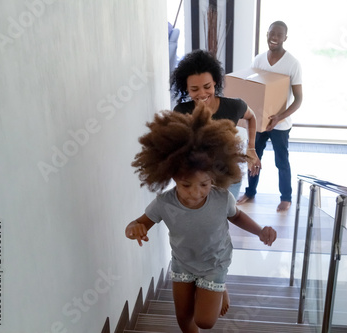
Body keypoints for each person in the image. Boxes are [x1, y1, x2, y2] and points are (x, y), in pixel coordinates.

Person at [125, 104, 277, 333]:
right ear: (173, 176)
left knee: (205, 321)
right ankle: (212, 293)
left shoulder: (221, 198)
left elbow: (236, 217)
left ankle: (220, 286)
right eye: (186, 185)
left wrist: (259, 231)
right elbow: (137, 224)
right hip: (183, 263)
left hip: (214, 263)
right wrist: (133, 229)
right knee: (184, 318)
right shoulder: (164, 203)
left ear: (214, 177)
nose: (195, 193)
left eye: (204, 184)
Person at [170, 49, 261, 199]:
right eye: (194, 89)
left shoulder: (234, 106)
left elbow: (251, 117)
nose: (202, 94)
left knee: (224, 217)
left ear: (215, 82)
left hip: (229, 178)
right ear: (186, 88)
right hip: (196, 180)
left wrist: (251, 147)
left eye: (207, 87)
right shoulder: (181, 112)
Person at [237, 20, 303, 212]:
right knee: (254, 156)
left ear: (285, 38)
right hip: (259, 122)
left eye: (279, 35)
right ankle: (250, 192)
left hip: (280, 124)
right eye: (271, 33)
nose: (274, 38)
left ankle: (286, 197)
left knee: (281, 161)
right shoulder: (258, 60)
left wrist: (279, 117)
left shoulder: (293, 64)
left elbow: (298, 100)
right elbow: (253, 91)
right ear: (266, 34)